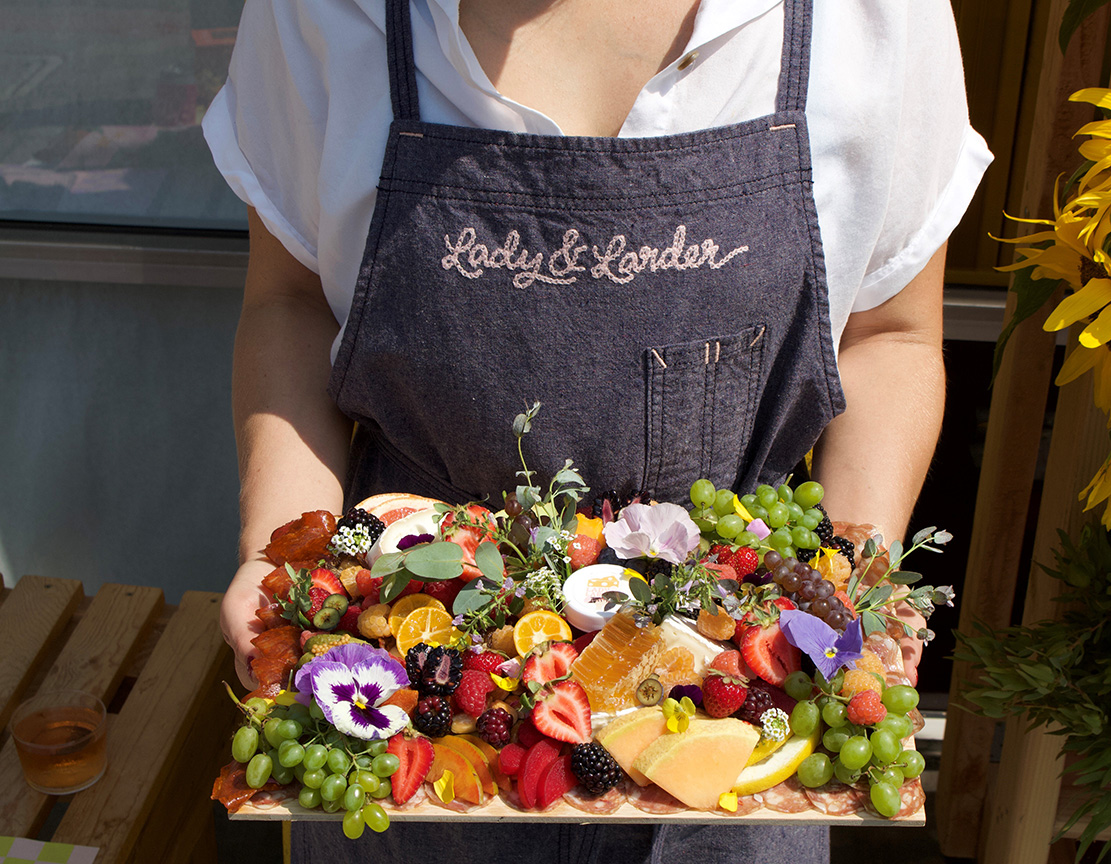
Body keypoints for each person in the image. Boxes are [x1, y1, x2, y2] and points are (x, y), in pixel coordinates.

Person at [206, 0, 990, 858]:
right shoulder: (320, 12)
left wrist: (847, 600)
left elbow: (889, 336)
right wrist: (277, 557)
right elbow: (289, 302)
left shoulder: (872, 16)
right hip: (415, 675)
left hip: (733, 700)